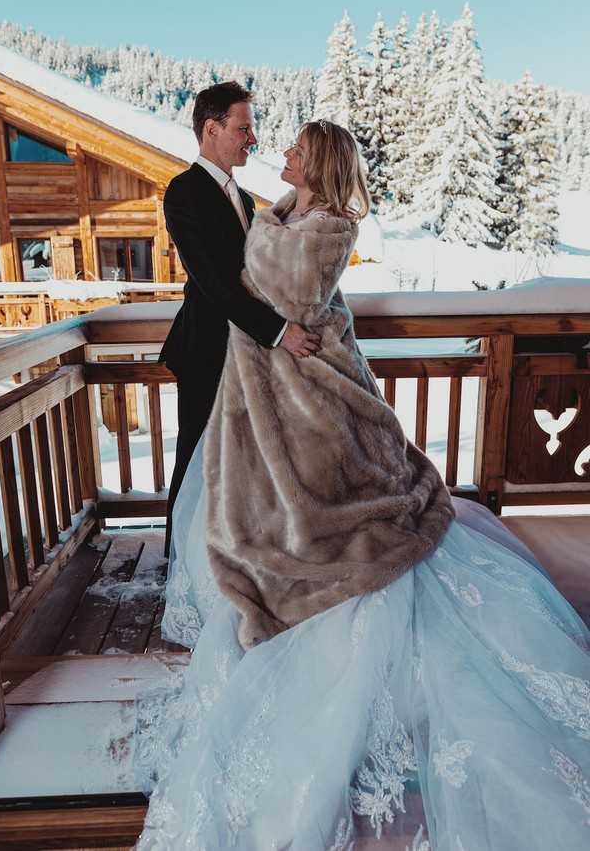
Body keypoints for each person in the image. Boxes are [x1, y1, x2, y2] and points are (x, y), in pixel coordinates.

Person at [133, 121, 590, 850]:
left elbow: (284, 292)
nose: (279, 155)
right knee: (269, 516)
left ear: (316, 164)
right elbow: (257, 284)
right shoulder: (288, 215)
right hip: (280, 396)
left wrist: (261, 236)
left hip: (318, 399)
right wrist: (266, 229)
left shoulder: (327, 227)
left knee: (336, 509)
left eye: (292, 151)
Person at [160, 81, 321, 553]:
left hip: (244, 351)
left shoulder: (245, 200)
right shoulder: (184, 192)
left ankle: (231, 554)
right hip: (205, 349)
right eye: (243, 127)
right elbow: (212, 282)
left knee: (238, 461)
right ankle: (176, 562)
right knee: (194, 458)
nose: (252, 138)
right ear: (212, 128)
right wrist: (279, 332)